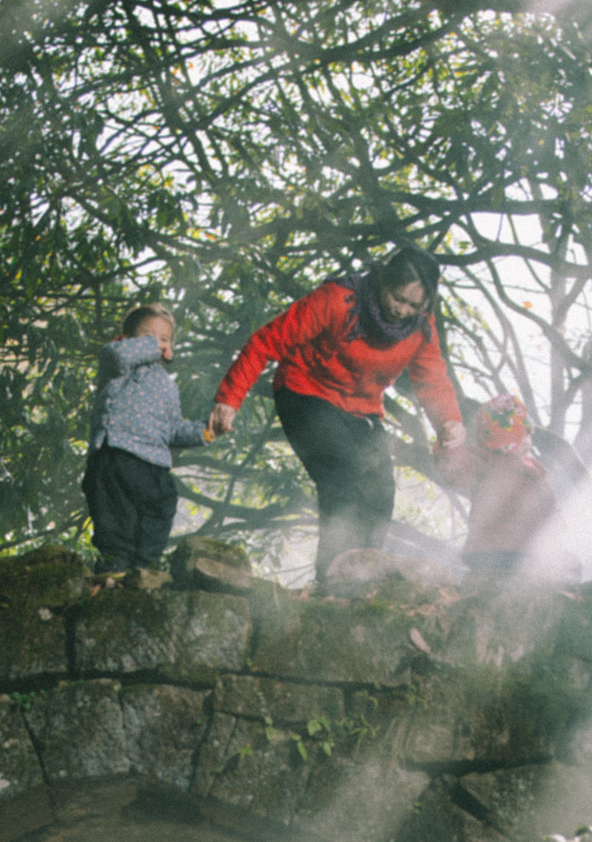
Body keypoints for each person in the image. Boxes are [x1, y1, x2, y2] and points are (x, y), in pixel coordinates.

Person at [208, 245, 465, 590]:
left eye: (413, 305)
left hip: (362, 409)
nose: (401, 310)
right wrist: (229, 398)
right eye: (397, 297)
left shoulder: (421, 327)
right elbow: (267, 341)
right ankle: (333, 581)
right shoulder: (338, 300)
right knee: (342, 475)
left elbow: (431, 377)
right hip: (305, 391)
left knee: (380, 490)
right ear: (383, 281)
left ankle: (364, 580)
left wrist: (449, 421)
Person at [84, 304, 207, 588]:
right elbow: (117, 353)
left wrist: (208, 431)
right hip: (115, 454)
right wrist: (154, 346)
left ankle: (144, 569)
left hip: (154, 465)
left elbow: (175, 429)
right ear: (127, 338)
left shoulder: (168, 385)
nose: (157, 343)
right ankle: (114, 570)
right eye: (148, 336)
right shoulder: (117, 363)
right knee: (116, 521)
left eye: (165, 338)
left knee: (161, 509)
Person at [443, 393, 565, 585]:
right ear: (505, 438)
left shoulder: (535, 468)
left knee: (524, 588)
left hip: (523, 550)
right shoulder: (484, 459)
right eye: (524, 434)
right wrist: (451, 446)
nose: (529, 440)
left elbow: (548, 504)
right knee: (492, 589)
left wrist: (556, 528)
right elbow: (456, 472)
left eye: (528, 433)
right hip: (489, 550)